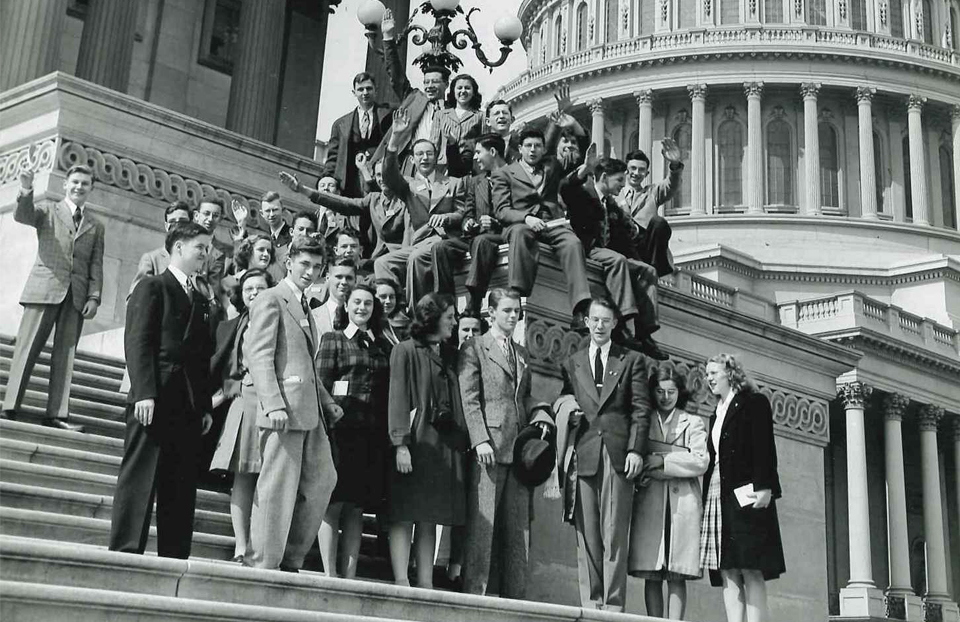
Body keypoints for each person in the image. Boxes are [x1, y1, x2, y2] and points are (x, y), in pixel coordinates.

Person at [109, 222, 215, 558]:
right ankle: (126, 549)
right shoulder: (152, 286)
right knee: (140, 476)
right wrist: (143, 392)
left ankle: (174, 555)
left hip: (185, 403)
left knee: (180, 482)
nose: (206, 254)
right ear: (179, 247)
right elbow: (138, 341)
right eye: (201, 246)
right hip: (153, 397)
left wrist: (204, 407)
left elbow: (201, 359)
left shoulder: (200, 299)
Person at [243, 235, 342, 571]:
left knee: (323, 480)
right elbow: (258, 355)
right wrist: (272, 404)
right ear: (289, 262)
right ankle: (264, 562)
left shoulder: (303, 305)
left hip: (310, 413)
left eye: (316, 267)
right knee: (276, 488)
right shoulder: (271, 299)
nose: (310, 272)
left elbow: (307, 364)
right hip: (282, 410)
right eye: (304, 264)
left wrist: (327, 402)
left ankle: (290, 557)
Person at [557, 297, 651, 611]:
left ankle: (612, 605)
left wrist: (637, 450)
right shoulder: (574, 360)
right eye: (594, 320)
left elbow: (641, 409)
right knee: (587, 533)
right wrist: (567, 410)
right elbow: (565, 398)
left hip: (617, 453)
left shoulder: (632, 359)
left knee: (614, 532)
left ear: (614, 324)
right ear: (586, 321)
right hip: (584, 451)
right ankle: (591, 601)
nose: (599, 326)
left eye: (605, 321)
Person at [458, 288, 554, 598]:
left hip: (519, 452)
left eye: (517, 311)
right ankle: (476, 594)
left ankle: (516, 598)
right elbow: (469, 398)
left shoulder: (522, 353)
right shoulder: (475, 347)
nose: (513, 316)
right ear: (491, 313)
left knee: (518, 530)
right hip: (488, 449)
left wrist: (542, 412)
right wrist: (480, 439)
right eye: (507, 311)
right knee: (482, 528)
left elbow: (524, 396)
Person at [2, 166, 104, 432]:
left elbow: (96, 264)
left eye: (85, 183)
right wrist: (25, 189)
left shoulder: (96, 225)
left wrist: (94, 296)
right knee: (27, 348)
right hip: (44, 288)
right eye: (75, 182)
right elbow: (23, 216)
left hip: (76, 296)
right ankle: (11, 405)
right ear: (65, 185)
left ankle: (57, 414)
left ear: (91, 188)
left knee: (66, 355)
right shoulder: (48, 210)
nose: (79, 187)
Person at [386, 293, 468, 588]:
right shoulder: (405, 351)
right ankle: (400, 578)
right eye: (450, 317)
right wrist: (401, 445)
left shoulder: (450, 354)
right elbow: (398, 399)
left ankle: (425, 582)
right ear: (432, 319)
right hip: (415, 443)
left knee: (429, 514)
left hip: (441, 447)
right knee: (405, 511)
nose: (455, 322)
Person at [700, 354, 785, 622]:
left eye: (714, 372)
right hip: (718, 492)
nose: (709, 378)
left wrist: (765, 487)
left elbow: (764, 446)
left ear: (731, 372)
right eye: (707, 373)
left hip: (746, 493)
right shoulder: (716, 412)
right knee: (728, 569)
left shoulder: (753, 402)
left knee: (751, 568)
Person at [316, 284, 393, 579]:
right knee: (333, 502)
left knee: (356, 508)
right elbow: (321, 384)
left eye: (368, 304)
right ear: (346, 306)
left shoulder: (381, 346)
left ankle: (349, 575)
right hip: (339, 433)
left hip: (369, 436)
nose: (362, 308)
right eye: (357, 302)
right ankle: (329, 573)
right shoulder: (333, 339)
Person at [561, 151, 668, 360]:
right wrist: (585, 168)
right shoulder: (584, 193)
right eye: (619, 179)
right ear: (603, 178)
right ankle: (624, 320)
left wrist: (639, 258)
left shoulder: (611, 204)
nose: (623, 184)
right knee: (617, 260)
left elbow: (627, 239)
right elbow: (565, 188)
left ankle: (645, 332)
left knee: (647, 270)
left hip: (607, 253)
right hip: (588, 249)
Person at [629, 365, 708, 620]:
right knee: (651, 570)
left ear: (679, 392)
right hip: (650, 501)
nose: (665, 397)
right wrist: (675, 459)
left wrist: (660, 462)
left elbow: (699, 461)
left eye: (671, 391)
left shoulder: (693, 422)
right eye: (660, 391)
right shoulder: (643, 421)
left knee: (677, 572)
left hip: (682, 505)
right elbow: (637, 460)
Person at [491, 127, 592, 327]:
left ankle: (580, 309)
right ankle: (517, 296)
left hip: (552, 224)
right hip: (521, 223)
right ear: (520, 148)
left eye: (537, 146)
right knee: (520, 234)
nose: (533, 150)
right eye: (528, 146)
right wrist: (526, 218)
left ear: (544, 149)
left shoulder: (551, 166)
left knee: (573, 243)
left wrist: (574, 125)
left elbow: (579, 152)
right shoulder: (504, 174)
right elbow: (501, 211)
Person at [209, 268, 274, 562]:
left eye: (260, 288)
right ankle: (241, 545)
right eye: (249, 289)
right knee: (244, 476)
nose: (255, 293)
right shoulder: (232, 326)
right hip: (244, 400)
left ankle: (265, 547)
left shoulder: (281, 321)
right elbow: (221, 365)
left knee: (271, 477)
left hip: (275, 400)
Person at [374, 109, 466, 310]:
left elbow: (462, 213)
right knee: (382, 263)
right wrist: (395, 137)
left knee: (416, 258)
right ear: (413, 159)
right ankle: (394, 311)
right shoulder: (409, 186)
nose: (424, 158)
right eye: (419, 154)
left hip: (444, 241)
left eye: (429, 153)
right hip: (418, 242)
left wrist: (447, 218)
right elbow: (389, 176)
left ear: (437, 156)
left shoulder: (453, 183)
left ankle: (416, 315)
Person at [432, 133, 508, 316]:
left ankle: (474, 302)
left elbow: (518, 211)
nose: (474, 157)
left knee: (482, 242)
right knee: (440, 248)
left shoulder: (514, 176)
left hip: (501, 234)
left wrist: (496, 223)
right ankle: (446, 304)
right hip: (473, 237)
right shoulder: (476, 182)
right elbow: (468, 212)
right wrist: (468, 224)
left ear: (492, 151)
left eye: (478, 152)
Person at [279, 161, 405, 264]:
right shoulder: (373, 199)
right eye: (378, 175)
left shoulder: (407, 196)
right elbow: (344, 203)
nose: (382, 179)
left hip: (400, 257)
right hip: (374, 260)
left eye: (386, 174)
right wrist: (302, 189)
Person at [373, 9, 451, 175]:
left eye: (435, 82)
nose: (429, 86)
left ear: (446, 83)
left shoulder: (453, 108)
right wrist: (387, 37)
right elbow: (395, 74)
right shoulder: (414, 97)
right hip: (412, 165)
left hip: (442, 168)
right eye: (426, 82)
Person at [617, 143, 683, 277]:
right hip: (622, 245)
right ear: (626, 170)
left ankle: (652, 269)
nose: (636, 173)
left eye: (641, 170)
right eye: (633, 168)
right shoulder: (614, 193)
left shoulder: (652, 192)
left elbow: (671, 185)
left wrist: (675, 164)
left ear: (646, 173)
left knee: (659, 223)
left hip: (646, 246)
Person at [324, 72, 393, 198]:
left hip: (377, 183)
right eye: (360, 89)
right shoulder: (340, 124)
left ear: (375, 90)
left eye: (369, 88)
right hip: (349, 183)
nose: (365, 93)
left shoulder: (388, 118)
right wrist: (327, 178)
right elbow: (333, 157)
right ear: (354, 92)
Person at [127, 200, 193, 298]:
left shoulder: (198, 259)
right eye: (172, 222)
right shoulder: (152, 259)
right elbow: (135, 298)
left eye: (183, 222)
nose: (177, 226)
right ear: (166, 227)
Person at [441, 74, 484, 178]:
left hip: (468, 169)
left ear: (473, 92)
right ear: (453, 91)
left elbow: (483, 144)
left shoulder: (480, 115)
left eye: (467, 88)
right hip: (443, 168)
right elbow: (434, 142)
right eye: (459, 88)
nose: (463, 91)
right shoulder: (441, 115)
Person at [312, 256, 357, 336]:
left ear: (355, 281)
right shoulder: (312, 317)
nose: (344, 282)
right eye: (339, 277)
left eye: (349, 278)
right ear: (327, 278)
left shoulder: (362, 316)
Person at [374, 277, 404, 346]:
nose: (388, 301)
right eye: (383, 297)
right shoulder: (370, 329)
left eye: (391, 297)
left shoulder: (395, 330)